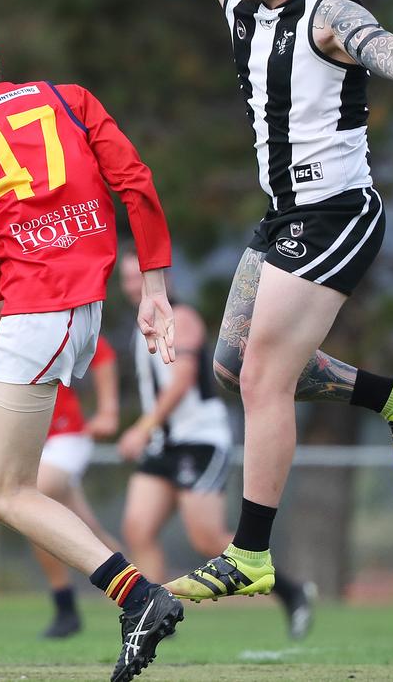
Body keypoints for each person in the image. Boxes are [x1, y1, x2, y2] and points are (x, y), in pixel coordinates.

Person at [0, 0, 393, 602]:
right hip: (283, 216)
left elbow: (382, 46)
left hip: (337, 214)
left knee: (262, 379)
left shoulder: (328, 13)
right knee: (229, 367)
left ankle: (249, 552)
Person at [0, 10, 183, 682]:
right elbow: (135, 181)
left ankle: (139, 596)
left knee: (9, 492)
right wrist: (156, 283)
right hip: (70, 308)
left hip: (38, 312)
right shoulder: (68, 99)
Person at [117, 248, 316, 639]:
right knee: (137, 528)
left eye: (137, 278)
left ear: (161, 279)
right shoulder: (140, 326)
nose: (130, 287)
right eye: (125, 280)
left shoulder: (183, 319)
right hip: (165, 445)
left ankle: (293, 593)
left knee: (207, 537)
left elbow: (184, 378)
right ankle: (155, 620)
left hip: (200, 442)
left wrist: (143, 426)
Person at [0, 300, 121, 638]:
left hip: (64, 436)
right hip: (19, 441)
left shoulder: (42, 317)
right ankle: (145, 596)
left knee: (26, 497)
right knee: (82, 526)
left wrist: (110, 409)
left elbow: (101, 353)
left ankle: (70, 604)